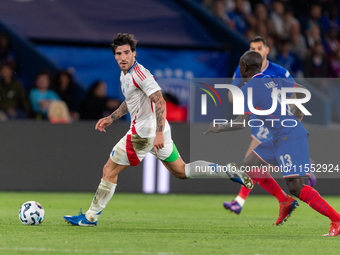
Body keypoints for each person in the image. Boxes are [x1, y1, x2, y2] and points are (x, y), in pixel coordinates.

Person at [63, 33, 253, 227]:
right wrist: (111, 118)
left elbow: (160, 100)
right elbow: (131, 101)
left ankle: (90, 217)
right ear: (115, 56)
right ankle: (225, 170)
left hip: (144, 133)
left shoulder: (140, 74)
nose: (123, 57)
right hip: (156, 130)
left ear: (134, 54)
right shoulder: (125, 75)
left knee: (109, 170)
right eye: (119, 53)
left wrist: (159, 133)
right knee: (181, 170)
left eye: (127, 53)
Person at [205, 51, 340, 236]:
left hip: (288, 136)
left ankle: (337, 219)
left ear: (243, 68)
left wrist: (218, 127)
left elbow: (241, 122)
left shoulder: (248, 89)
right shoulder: (271, 79)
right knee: (249, 165)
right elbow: (299, 88)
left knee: (296, 187)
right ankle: (284, 201)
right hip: (280, 136)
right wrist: (297, 112)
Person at [225, 36, 313, 217]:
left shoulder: (279, 71)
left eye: (259, 48)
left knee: (252, 159)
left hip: (276, 119)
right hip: (258, 117)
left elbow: (294, 94)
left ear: (266, 50)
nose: (255, 51)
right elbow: (231, 94)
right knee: (255, 161)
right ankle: (305, 171)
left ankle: (240, 202)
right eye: (252, 48)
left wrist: (293, 118)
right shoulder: (244, 68)